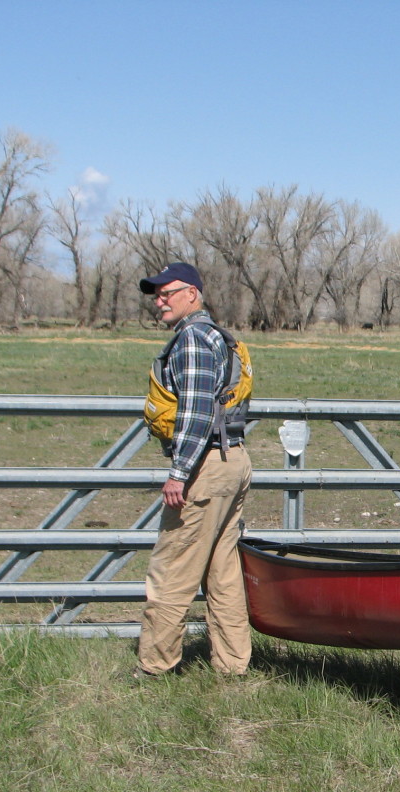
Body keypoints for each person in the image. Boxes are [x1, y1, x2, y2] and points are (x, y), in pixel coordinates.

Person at [134, 262, 253, 678]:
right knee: (222, 571)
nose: (159, 300)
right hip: (231, 459)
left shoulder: (192, 340)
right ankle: (233, 666)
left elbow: (197, 412)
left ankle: (155, 667)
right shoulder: (219, 336)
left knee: (172, 569)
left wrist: (179, 472)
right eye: (156, 294)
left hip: (204, 467)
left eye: (167, 292)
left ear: (192, 294)